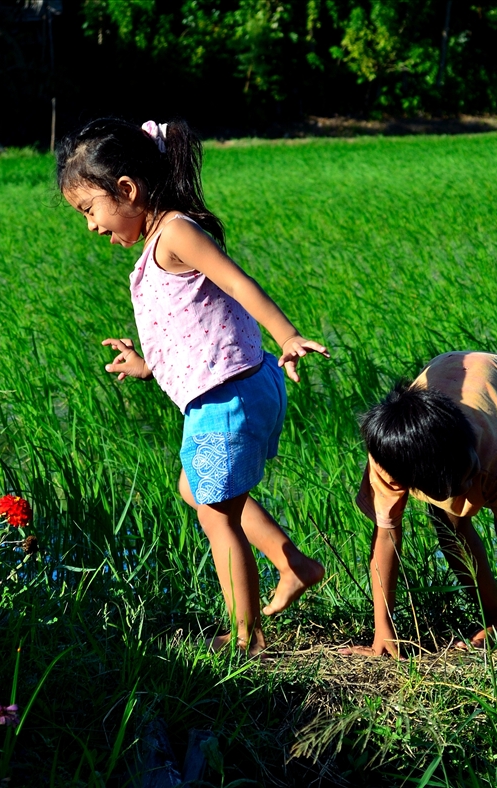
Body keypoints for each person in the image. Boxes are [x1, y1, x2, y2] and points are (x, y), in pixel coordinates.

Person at [56, 118, 327, 655]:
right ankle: (293, 564)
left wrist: (287, 334)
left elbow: (236, 282)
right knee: (195, 489)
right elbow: (194, 331)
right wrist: (148, 364)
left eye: (90, 209)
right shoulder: (158, 242)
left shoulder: (175, 232)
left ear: (127, 190)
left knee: (215, 514)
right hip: (236, 389)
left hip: (227, 398)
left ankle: (247, 639)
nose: (90, 226)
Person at [343, 351, 497, 660]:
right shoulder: (387, 460)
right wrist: (383, 630)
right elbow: (386, 536)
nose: (469, 494)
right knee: (448, 523)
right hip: (449, 386)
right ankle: (496, 616)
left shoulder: (496, 451)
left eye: (471, 476)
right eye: (455, 489)